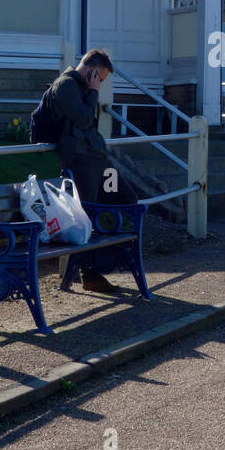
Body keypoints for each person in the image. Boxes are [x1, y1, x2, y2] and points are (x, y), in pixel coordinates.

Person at [38, 48, 138, 293]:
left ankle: (108, 259)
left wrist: (91, 91)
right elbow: (83, 119)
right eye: (100, 79)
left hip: (98, 161)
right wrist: (93, 92)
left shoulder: (81, 88)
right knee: (88, 213)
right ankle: (89, 273)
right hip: (79, 161)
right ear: (91, 70)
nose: (100, 84)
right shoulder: (66, 86)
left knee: (127, 200)